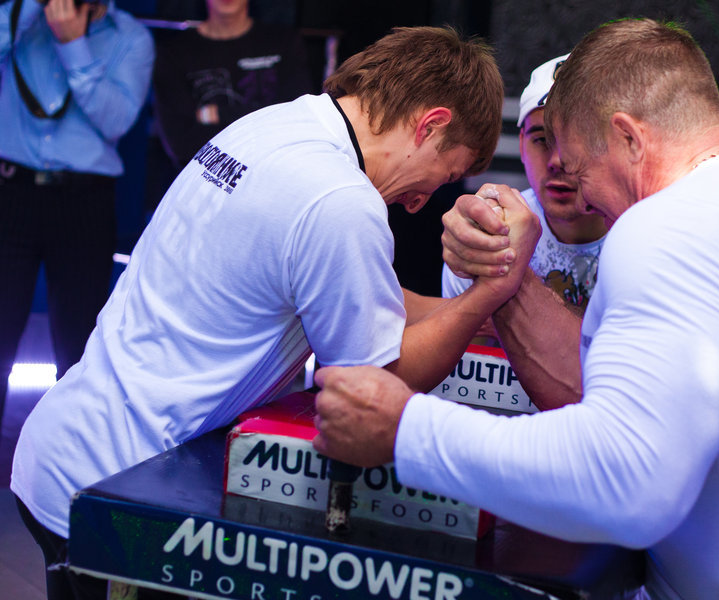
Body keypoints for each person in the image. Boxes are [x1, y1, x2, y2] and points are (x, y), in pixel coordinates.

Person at [313, 19, 719, 598]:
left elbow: (628, 483)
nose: (582, 195)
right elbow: (621, 398)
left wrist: (406, 429)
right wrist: (506, 271)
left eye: (581, 167)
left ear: (629, 137)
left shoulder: (677, 228)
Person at [11, 26, 535, 600]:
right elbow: (376, 389)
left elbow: (353, 292)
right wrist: (491, 293)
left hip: (68, 446)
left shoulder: (277, 125)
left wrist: (471, 312)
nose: (422, 201)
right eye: (447, 173)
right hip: (120, 484)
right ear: (430, 125)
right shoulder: (340, 201)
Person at [0, 0, 154, 434]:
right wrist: (26, 11)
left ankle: (65, 458)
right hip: (10, 193)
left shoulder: (131, 37)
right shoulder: (18, 16)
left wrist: (72, 45)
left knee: (78, 350)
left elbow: (117, 120)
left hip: (84, 203)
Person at [443, 53, 607, 312]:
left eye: (576, 140)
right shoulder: (489, 231)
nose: (557, 160)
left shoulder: (644, 232)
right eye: (541, 139)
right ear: (521, 145)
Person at [152, 0, 315, 171]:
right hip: (207, 177)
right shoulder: (173, 53)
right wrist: (264, 117)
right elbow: (181, 145)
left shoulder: (283, 42)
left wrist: (219, 113)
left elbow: (297, 117)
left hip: (276, 171)